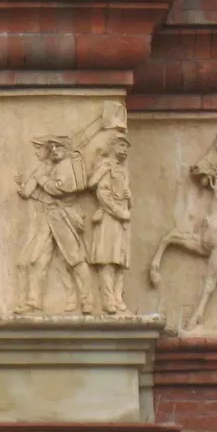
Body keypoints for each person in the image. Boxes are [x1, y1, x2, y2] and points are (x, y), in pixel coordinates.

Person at [16, 135, 96, 313]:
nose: (53, 151)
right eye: (51, 148)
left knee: (74, 259)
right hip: (50, 215)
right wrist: (29, 188)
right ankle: (34, 300)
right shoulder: (55, 167)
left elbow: (59, 189)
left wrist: (41, 179)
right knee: (38, 259)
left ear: (66, 149)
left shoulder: (67, 165)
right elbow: (48, 196)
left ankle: (87, 300)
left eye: (58, 147)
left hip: (63, 217)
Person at [85, 131, 132, 313]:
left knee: (121, 260)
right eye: (121, 146)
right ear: (112, 147)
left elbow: (126, 195)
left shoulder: (123, 170)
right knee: (107, 259)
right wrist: (120, 213)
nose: (124, 150)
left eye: (126, 147)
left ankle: (118, 296)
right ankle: (108, 299)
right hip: (109, 217)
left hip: (123, 218)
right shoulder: (106, 167)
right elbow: (103, 194)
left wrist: (129, 198)